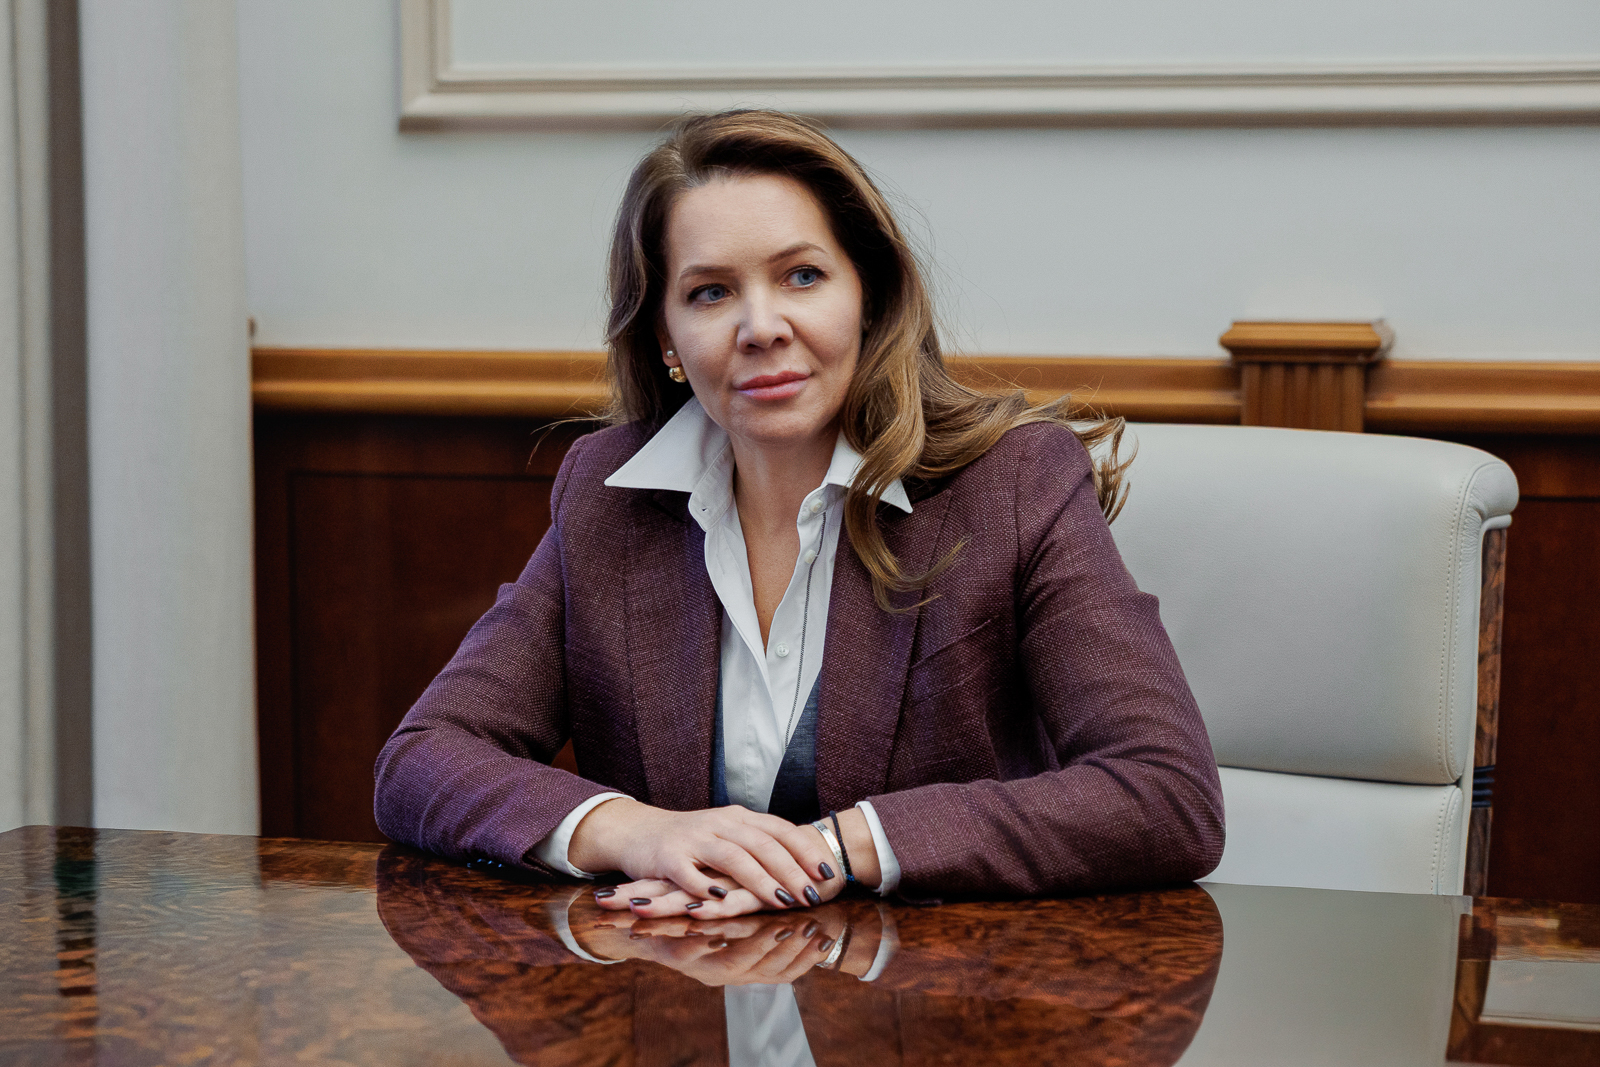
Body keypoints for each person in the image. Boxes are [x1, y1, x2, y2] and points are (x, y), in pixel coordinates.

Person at [374, 109, 1223, 920]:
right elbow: (422, 758)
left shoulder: (1014, 484)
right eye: (710, 292)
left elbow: (1166, 791)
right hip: (682, 984)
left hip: (940, 991)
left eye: (802, 276)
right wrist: (638, 832)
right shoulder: (607, 496)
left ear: (869, 295)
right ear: (666, 338)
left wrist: (836, 849)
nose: (761, 326)